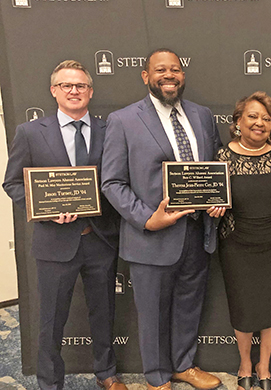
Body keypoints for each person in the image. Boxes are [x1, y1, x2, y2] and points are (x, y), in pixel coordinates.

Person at [101, 48, 223, 390]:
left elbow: (212, 169)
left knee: (189, 304)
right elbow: (111, 182)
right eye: (160, 70)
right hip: (150, 237)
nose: (169, 75)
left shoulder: (202, 115)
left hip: (198, 233)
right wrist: (146, 219)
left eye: (175, 70)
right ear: (145, 76)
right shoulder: (123, 120)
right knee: (152, 312)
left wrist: (217, 200)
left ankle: (184, 364)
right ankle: (156, 377)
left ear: (183, 76)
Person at [3, 60, 125, 390]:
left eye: (81, 85)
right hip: (54, 244)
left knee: (104, 312)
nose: (74, 91)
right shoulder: (29, 132)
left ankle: (106, 373)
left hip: (101, 239)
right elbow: (13, 183)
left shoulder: (108, 129)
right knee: (51, 320)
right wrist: (44, 210)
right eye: (66, 85)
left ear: (91, 91)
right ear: (54, 91)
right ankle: (50, 382)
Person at [215, 91, 271, 390]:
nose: (260, 123)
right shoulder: (223, 156)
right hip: (237, 243)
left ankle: (264, 365)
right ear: (238, 122)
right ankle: (244, 363)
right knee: (243, 306)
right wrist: (214, 208)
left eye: (266, 119)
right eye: (253, 116)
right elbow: (214, 200)